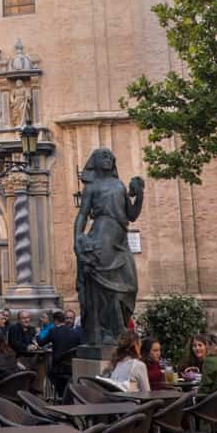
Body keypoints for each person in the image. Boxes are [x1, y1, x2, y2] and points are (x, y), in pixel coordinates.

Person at [73, 147, 144, 346]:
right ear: (94, 161)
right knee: (105, 290)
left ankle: (116, 328)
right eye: (102, 156)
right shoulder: (92, 187)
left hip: (120, 240)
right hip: (101, 237)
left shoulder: (120, 185)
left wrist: (139, 195)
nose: (107, 159)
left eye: (110, 156)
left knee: (130, 285)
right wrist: (77, 239)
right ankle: (107, 331)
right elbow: (82, 215)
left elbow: (132, 215)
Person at [39, 310, 81, 397]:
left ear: (55, 321)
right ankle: (65, 396)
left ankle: (60, 396)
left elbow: (41, 342)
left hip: (58, 369)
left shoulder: (54, 331)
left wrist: (38, 333)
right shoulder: (75, 333)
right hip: (72, 368)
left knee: (49, 373)